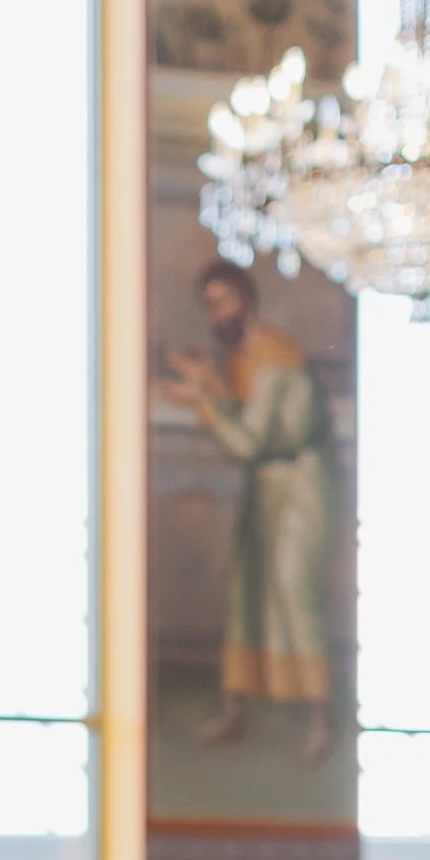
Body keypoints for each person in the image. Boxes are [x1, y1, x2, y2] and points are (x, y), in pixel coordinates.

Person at [165, 262, 336, 758]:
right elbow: (244, 418)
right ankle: (235, 712)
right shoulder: (241, 357)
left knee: (292, 589)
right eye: (209, 306)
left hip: (300, 489)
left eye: (223, 302)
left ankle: (321, 720)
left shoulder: (275, 357)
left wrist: (201, 400)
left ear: (247, 302)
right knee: (246, 593)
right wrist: (210, 388)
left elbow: (247, 442)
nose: (216, 314)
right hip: (265, 488)